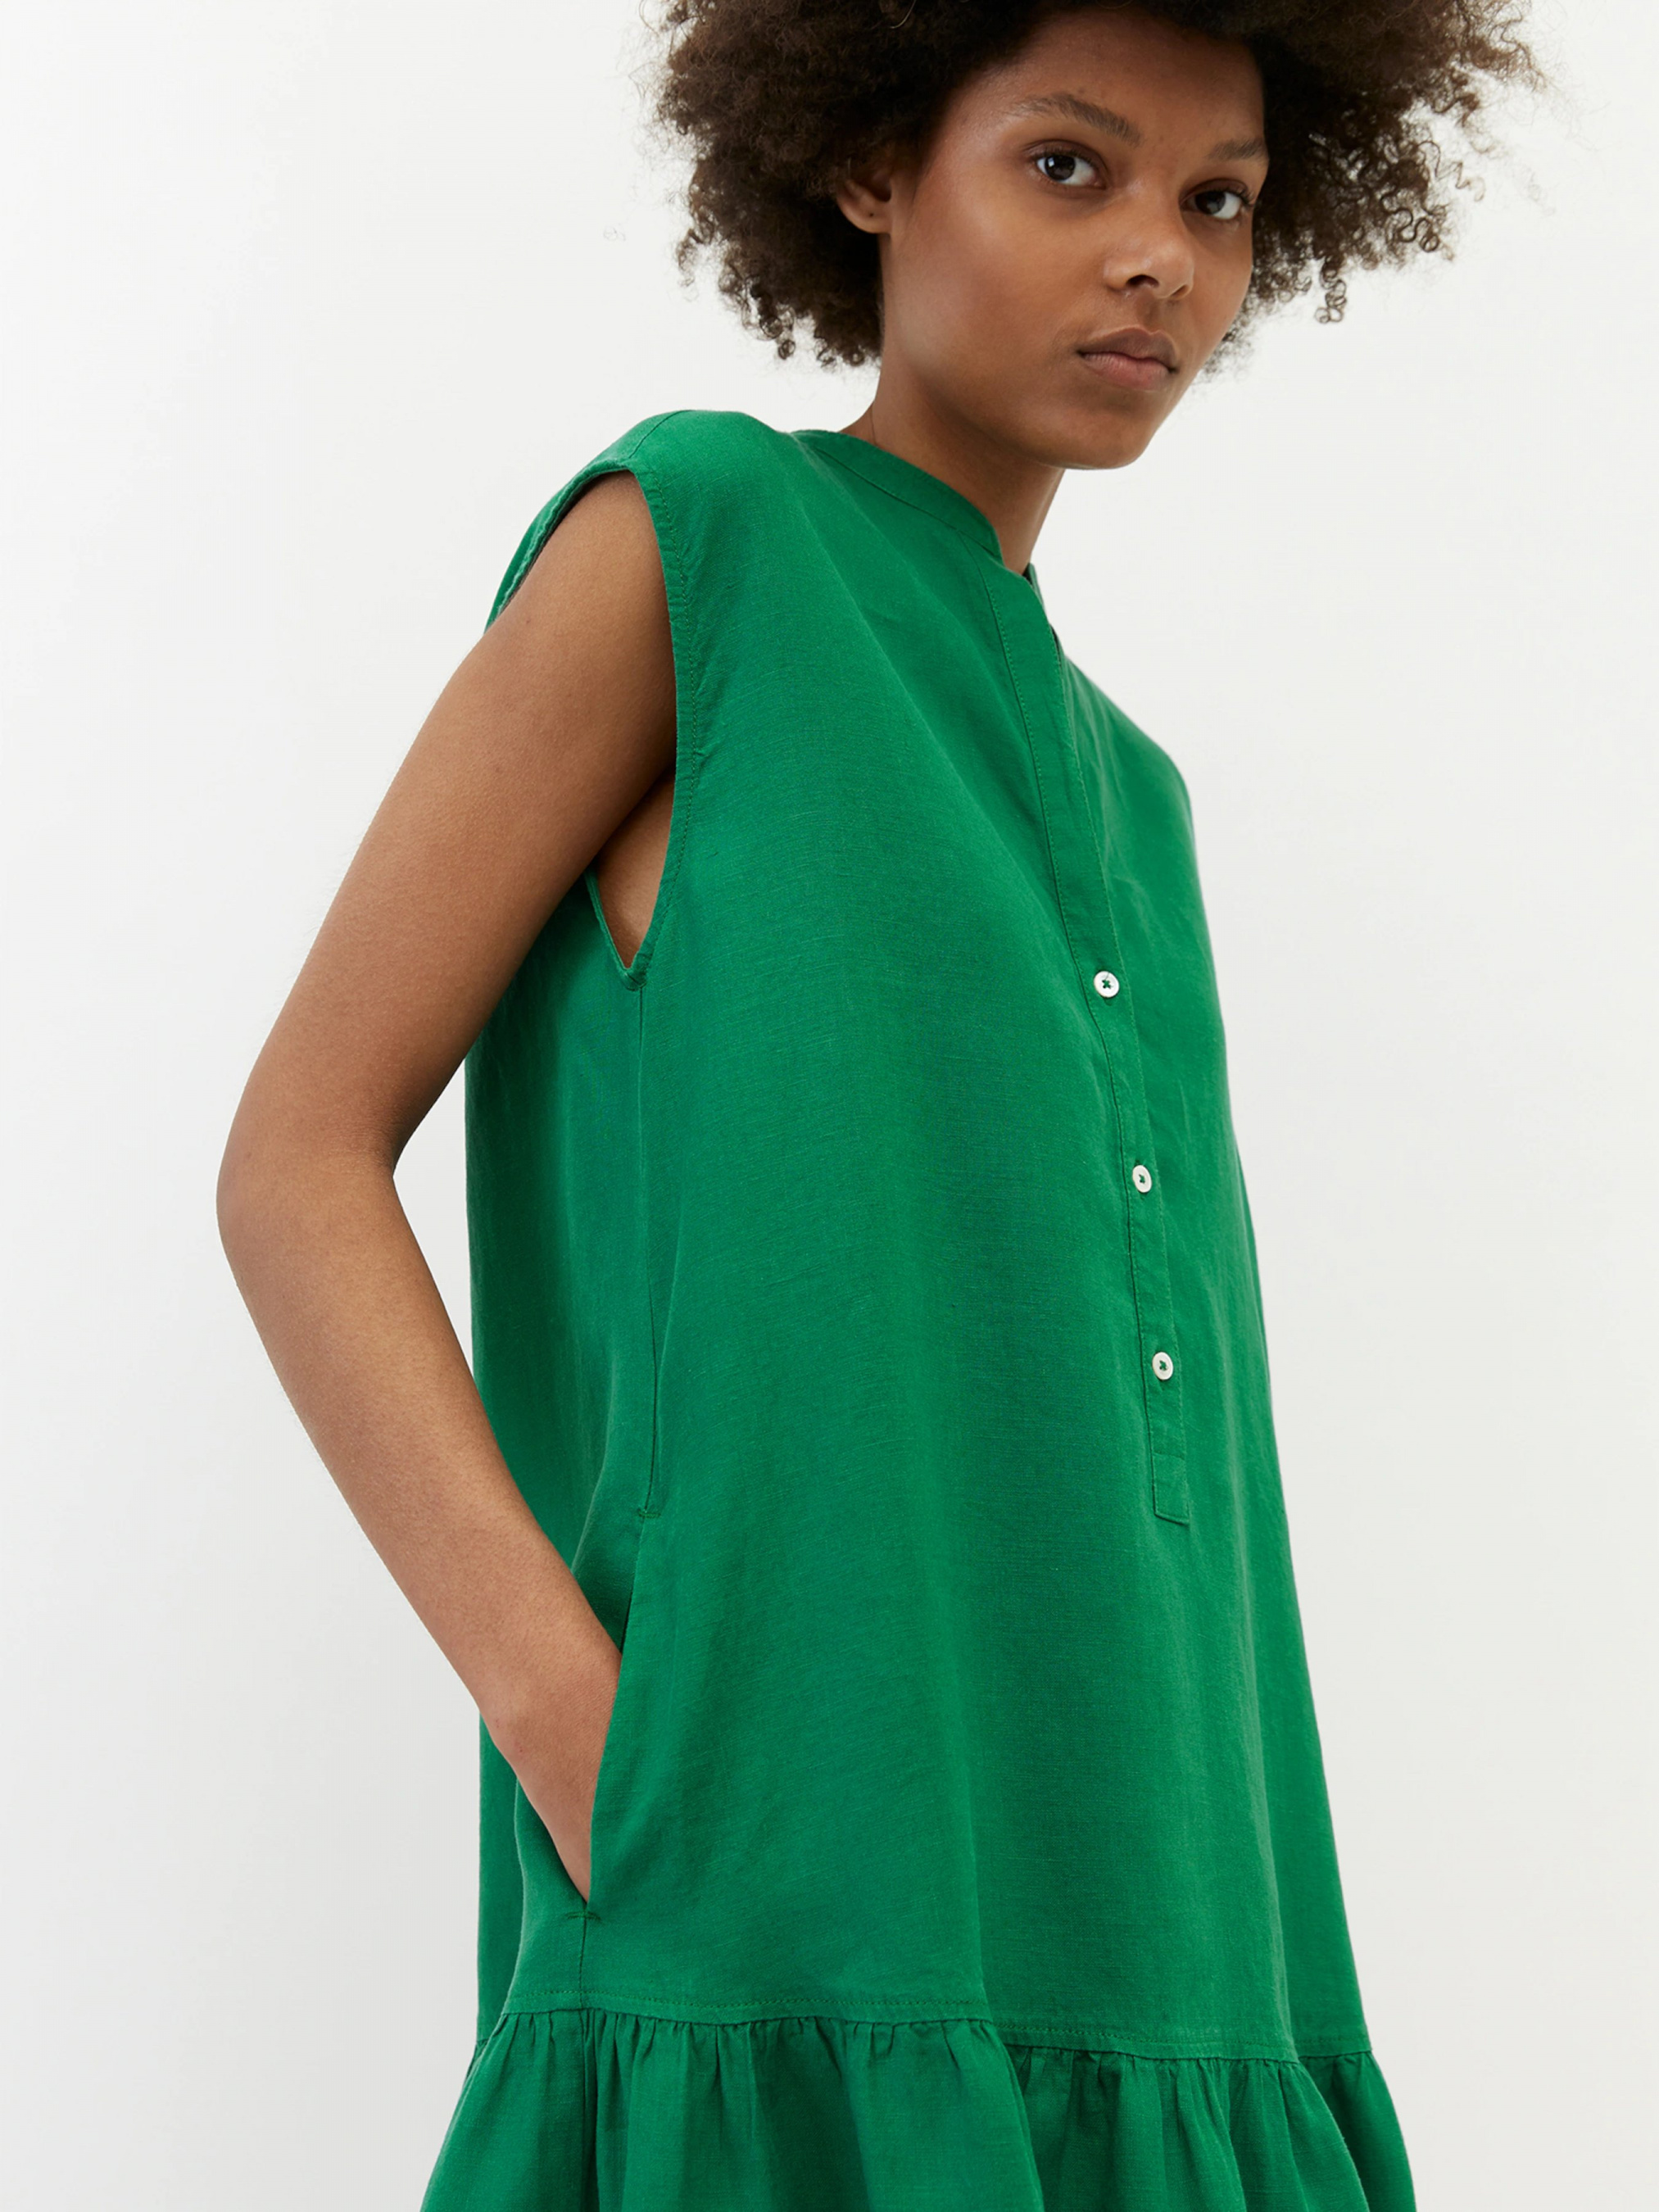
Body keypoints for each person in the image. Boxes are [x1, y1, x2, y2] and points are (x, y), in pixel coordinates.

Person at [218, 4, 1534, 2205]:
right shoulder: (700, 543)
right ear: (865, 164)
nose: (1160, 256)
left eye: (1218, 200)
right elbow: (295, 1157)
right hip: (777, 1883)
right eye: (1068, 165)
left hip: (1180, 1901)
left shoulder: (1138, 794)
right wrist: (573, 1718)